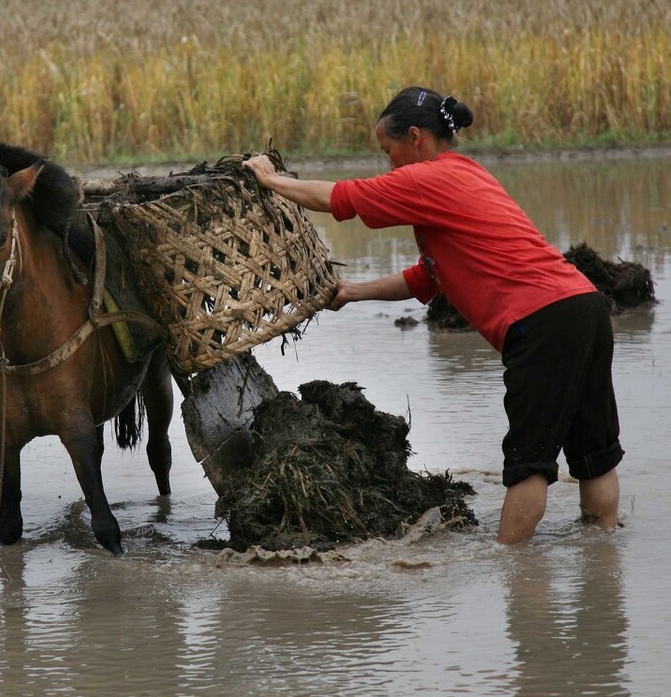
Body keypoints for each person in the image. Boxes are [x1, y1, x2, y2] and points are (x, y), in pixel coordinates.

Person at [243, 86, 623, 544]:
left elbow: (342, 198)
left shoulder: (429, 178)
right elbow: (428, 276)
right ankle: (603, 562)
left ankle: (514, 577)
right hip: (583, 308)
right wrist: (353, 292)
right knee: (594, 454)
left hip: (541, 321)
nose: (388, 164)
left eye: (388, 151)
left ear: (416, 138)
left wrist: (271, 181)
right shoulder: (468, 175)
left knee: (530, 464)